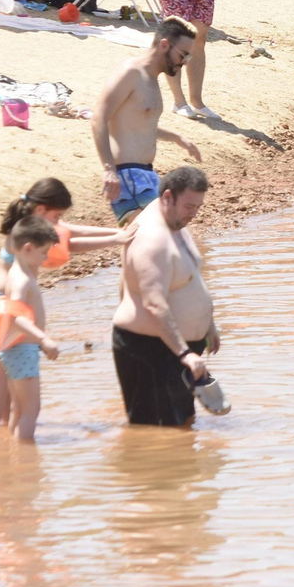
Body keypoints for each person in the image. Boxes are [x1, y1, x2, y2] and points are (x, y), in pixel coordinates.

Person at [0, 179, 131, 428]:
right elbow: (69, 243)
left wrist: (117, 233)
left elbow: (71, 231)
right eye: (57, 216)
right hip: (4, 306)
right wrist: (116, 239)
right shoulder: (30, 233)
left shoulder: (25, 225)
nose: (59, 223)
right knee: (5, 381)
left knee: (2, 380)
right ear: (41, 211)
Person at [111, 166, 219, 427]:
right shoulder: (151, 239)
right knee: (154, 434)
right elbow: (154, 304)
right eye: (189, 206)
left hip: (175, 348)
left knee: (183, 426)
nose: (194, 214)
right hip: (150, 349)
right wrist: (185, 353)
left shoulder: (175, 223)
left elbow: (192, 276)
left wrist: (208, 325)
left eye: (198, 207)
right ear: (168, 197)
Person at [91, 17, 202, 225]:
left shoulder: (151, 79)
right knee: (157, 236)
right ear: (164, 45)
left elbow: (142, 126)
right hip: (128, 177)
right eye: (183, 55)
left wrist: (178, 138)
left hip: (145, 175)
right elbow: (99, 118)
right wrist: (108, 169)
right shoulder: (131, 72)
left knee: (157, 237)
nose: (184, 63)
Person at [0, 215, 62, 442]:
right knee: (32, 410)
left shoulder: (17, 271)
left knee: (19, 410)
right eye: (44, 252)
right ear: (28, 248)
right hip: (23, 350)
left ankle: (12, 456)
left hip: (14, 350)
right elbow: (13, 315)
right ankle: (26, 462)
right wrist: (43, 339)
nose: (46, 257)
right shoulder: (21, 280)